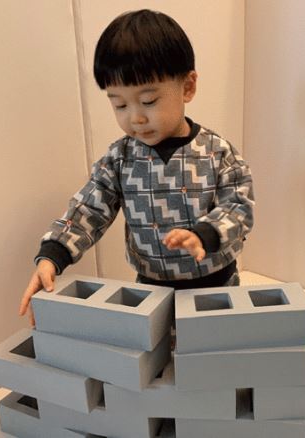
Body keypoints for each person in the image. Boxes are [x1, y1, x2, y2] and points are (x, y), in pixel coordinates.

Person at [19, 9, 254, 326]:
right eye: (120, 104)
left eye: (148, 101)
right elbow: (89, 209)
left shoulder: (217, 152)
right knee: (151, 350)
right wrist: (52, 255)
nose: (136, 118)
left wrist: (205, 234)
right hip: (150, 291)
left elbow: (239, 206)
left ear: (187, 87)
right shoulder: (120, 158)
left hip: (217, 286)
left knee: (216, 346)